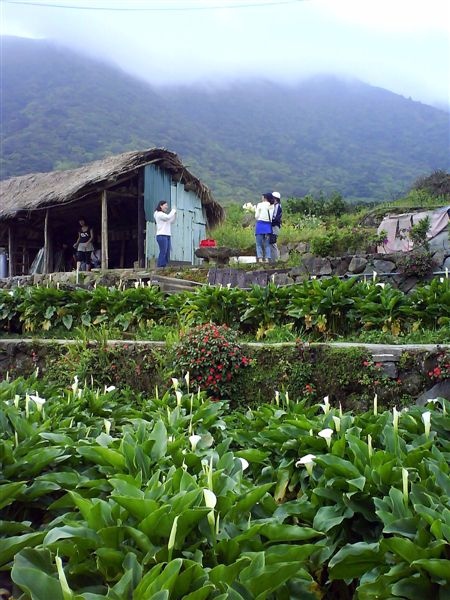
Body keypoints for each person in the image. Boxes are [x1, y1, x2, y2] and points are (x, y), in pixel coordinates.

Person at [154, 200, 177, 268]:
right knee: (163, 251)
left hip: (167, 235)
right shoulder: (158, 214)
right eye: (165, 205)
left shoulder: (164, 215)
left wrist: (175, 214)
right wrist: (173, 211)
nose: (167, 207)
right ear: (161, 205)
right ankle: (160, 266)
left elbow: (171, 221)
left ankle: (164, 266)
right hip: (161, 235)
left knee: (167, 252)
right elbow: (168, 217)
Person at [254, 193, 274, 263]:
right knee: (267, 244)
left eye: (262, 197)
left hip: (260, 225)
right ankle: (267, 258)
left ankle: (260, 258)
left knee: (258, 243)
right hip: (268, 226)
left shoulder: (260, 205)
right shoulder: (272, 206)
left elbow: (256, 216)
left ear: (265, 198)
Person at [270, 191, 282, 262]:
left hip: (275, 227)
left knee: (273, 242)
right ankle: (273, 259)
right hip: (273, 226)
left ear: (275, 199)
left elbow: (275, 218)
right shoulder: (274, 206)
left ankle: (276, 259)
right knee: (271, 243)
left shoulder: (277, 206)